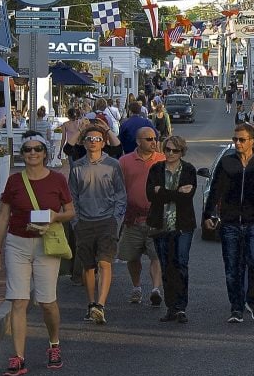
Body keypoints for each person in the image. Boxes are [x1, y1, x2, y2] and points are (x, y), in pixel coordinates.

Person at [0, 133, 75, 376]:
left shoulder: (58, 180)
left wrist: (55, 216)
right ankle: (18, 356)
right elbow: (3, 216)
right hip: (17, 243)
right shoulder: (14, 181)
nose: (32, 153)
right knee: (18, 300)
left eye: (37, 149)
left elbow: (70, 211)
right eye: (27, 149)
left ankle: (54, 344)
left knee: (47, 302)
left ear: (45, 153)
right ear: (22, 154)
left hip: (46, 245)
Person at [203, 122, 254, 323]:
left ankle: (253, 302)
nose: (237, 143)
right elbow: (215, 190)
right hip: (230, 223)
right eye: (235, 139)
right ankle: (236, 307)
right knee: (232, 268)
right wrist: (208, 215)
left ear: (252, 141)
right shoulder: (227, 163)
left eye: (242, 140)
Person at [69, 124, 127, 325]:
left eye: (97, 139)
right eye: (89, 139)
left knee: (104, 262)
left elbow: (121, 194)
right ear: (84, 143)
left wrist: (116, 219)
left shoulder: (113, 165)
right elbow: (72, 197)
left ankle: (100, 305)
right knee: (88, 266)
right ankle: (91, 303)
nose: (93, 142)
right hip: (84, 221)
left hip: (107, 221)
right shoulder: (77, 167)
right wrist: (75, 221)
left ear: (103, 143)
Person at [147, 135, 198, 324]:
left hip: (183, 225)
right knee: (167, 267)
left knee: (181, 265)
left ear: (181, 152)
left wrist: (164, 192)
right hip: (160, 225)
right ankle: (171, 307)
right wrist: (176, 193)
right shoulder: (156, 169)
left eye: (174, 150)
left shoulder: (189, 170)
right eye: (167, 149)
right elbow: (151, 194)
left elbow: (188, 196)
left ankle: (181, 307)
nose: (169, 153)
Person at [117, 127, 165, 307]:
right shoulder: (124, 161)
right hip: (133, 219)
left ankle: (155, 290)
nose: (153, 142)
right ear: (138, 142)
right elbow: (118, 187)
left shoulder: (162, 159)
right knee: (132, 256)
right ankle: (136, 287)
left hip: (156, 218)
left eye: (155, 138)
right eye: (149, 139)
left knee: (156, 255)